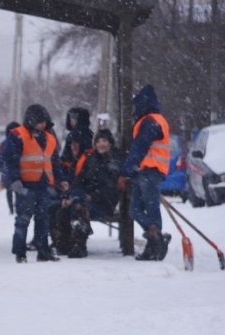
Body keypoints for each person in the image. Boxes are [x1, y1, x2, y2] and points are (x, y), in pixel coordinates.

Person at [0, 103, 62, 263]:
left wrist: (61, 180)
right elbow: (9, 160)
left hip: (43, 185)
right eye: (40, 121)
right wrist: (14, 180)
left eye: (44, 122)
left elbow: (54, 162)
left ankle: (43, 251)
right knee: (23, 219)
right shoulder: (18, 136)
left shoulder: (49, 138)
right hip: (25, 186)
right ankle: (20, 252)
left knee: (43, 219)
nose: (43, 125)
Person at [118, 84, 172, 261]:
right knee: (135, 210)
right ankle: (156, 238)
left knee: (150, 209)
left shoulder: (152, 121)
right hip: (144, 172)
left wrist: (127, 170)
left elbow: (140, 147)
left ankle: (155, 244)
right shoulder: (151, 120)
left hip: (151, 171)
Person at [53, 129, 121, 258]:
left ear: (110, 143)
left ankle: (79, 244)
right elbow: (79, 180)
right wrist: (72, 196)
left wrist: (91, 196)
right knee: (63, 207)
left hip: (104, 202)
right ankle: (64, 244)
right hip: (85, 198)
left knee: (80, 209)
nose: (101, 144)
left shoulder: (114, 161)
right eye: (98, 141)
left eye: (104, 141)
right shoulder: (90, 159)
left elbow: (110, 187)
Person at [0, 121, 21, 215]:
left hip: (6, 170)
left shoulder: (4, 144)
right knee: (17, 190)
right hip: (15, 170)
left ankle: (11, 208)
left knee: (9, 189)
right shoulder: (19, 142)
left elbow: (0, 157)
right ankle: (16, 207)